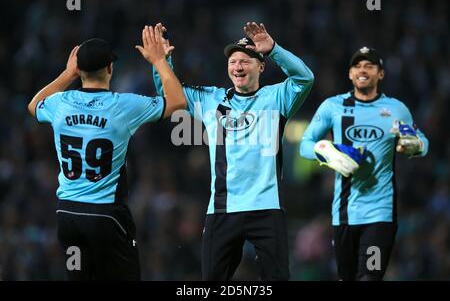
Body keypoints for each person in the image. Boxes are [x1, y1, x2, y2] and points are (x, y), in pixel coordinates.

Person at [153, 22, 314, 280]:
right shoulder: (210, 99)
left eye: (245, 61)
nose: (237, 67)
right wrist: (161, 62)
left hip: (266, 207)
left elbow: (305, 77)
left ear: (261, 66)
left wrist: (274, 49)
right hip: (222, 209)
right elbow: (169, 94)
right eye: (233, 61)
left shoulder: (276, 98)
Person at [27, 25, 186, 280]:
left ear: (79, 70)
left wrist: (67, 75)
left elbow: (34, 105)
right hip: (105, 217)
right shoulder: (123, 105)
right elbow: (177, 101)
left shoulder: (60, 104)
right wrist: (159, 61)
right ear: (110, 68)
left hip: (67, 215)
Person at [299, 47, 429, 281]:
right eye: (357, 66)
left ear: (381, 74)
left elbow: (423, 143)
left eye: (369, 66)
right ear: (350, 73)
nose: (363, 70)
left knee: (368, 277)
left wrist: (413, 145)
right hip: (344, 214)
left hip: (380, 213)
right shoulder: (332, 106)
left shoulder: (396, 109)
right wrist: (327, 151)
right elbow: (305, 144)